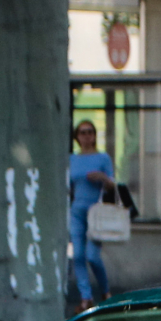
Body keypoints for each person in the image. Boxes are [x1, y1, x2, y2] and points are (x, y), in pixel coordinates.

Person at [67, 119, 114, 307]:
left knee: (92, 256)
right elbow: (69, 186)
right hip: (77, 210)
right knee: (77, 255)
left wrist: (102, 178)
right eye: (82, 132)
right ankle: (85, 297)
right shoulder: (72, 159)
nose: (86, 136)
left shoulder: (103, 158)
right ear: (77, 137)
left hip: (96, 212)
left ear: (94, 136)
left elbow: (112, 185)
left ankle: (105, 291)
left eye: (90, 132)